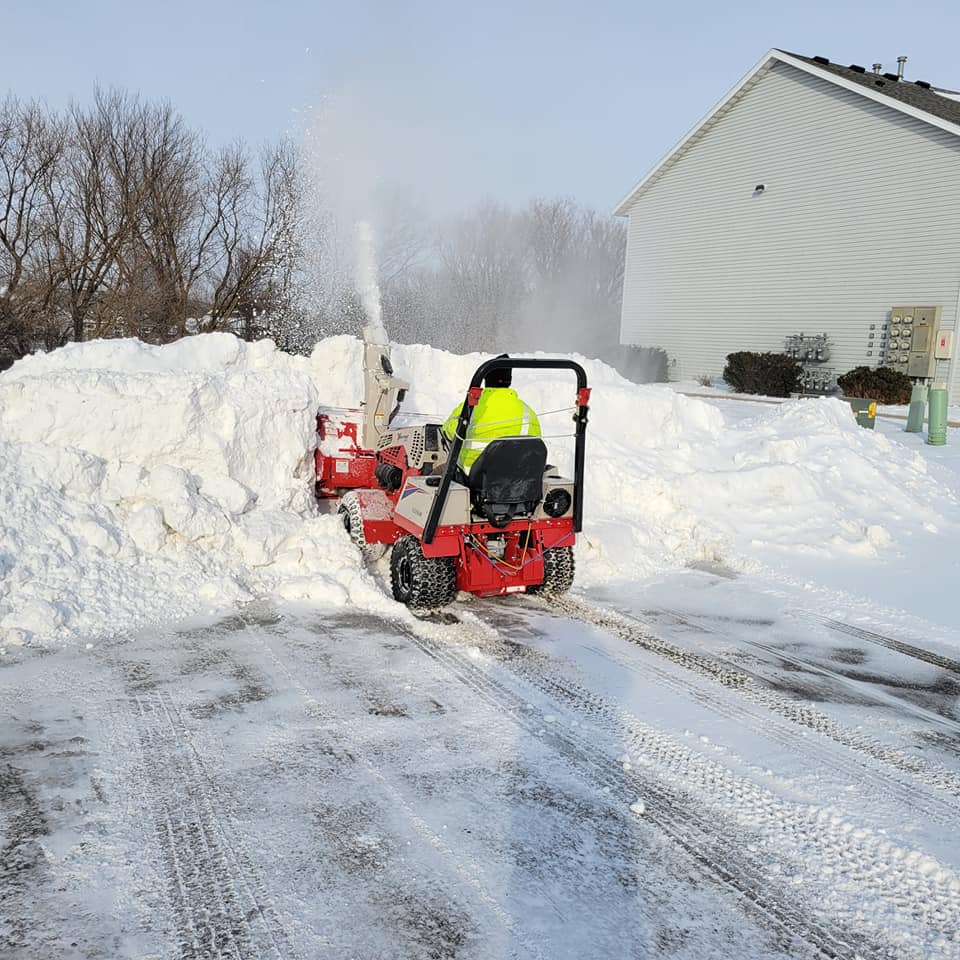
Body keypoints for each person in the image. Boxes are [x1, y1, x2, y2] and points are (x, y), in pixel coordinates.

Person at [442, 354, 542, 474]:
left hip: (475, 478)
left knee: (436, 473)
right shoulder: (528, 412)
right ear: (509, 381)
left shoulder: (472, 406)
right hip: (516, 480)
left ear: (486, 380)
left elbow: (449, 431)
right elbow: (535, 445)